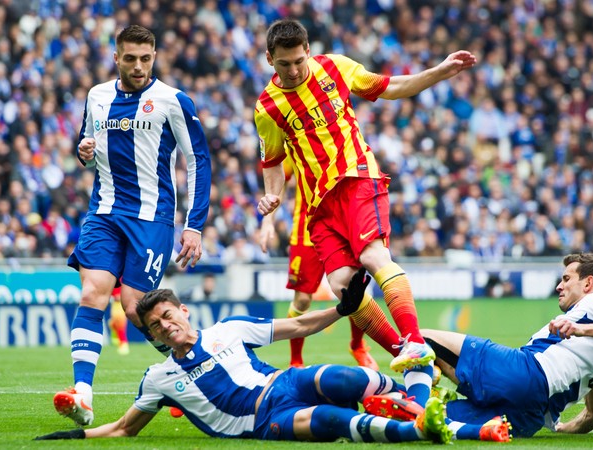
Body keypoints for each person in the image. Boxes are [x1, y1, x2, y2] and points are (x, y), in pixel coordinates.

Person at [255, 19, 477, 374]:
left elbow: (392, 87)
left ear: (308, 51)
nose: (295, 70)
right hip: (318, 208)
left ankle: (415, 341)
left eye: (299, 60)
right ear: (270, 59)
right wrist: (272, 197)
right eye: (285, 64)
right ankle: (412, 360)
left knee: (374, 255)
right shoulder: (267, 107)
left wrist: (439, 71)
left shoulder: (335, 68)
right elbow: (272, 162)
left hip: (358, 179)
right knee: (344, 287)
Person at [34, 272, 459, 444]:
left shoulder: (228, 329)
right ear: (151, 335)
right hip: (259, 420)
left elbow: (295, 327)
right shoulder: (159, 378)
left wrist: (342, 310)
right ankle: (418, 431)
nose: (166, 326)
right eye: (156, 327)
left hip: (284, 383)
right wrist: (74, 438)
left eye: (168, 316)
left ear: (184, 311)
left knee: (345, 379)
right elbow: (125, 429)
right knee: (327, 421)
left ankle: (419, 401)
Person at [53, 25, 212, 427]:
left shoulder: (173, 101)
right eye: (130, 58)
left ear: (154, 56)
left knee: (137, 309)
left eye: (146, 58)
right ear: (116, 57)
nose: (138, 66)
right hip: (104, 212)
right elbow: (87, 150)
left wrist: (193, 225)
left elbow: (198, 161)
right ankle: (82, 396)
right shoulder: (96, 95)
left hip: (151, 218)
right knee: (92, 293)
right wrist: (83, 152)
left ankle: (198, 374)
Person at [365, 252, 593, 440]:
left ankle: (364, 314)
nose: (559, 286)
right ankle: (416, 395)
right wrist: (562, 427)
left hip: (523, 373)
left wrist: (579, 327)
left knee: (421, 338)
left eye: (566, 279)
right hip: (528, 419)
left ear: (589, 283)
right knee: (425, 422)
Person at [259, 162, 377, 370]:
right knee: (302, 300)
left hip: (341, 226)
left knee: (352, 288)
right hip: (305, 230)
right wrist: (268, 221)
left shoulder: (342, 138)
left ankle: (357, 346)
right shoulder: (293, 142)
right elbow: (278, 183)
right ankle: (296, 361)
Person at [108, 286, 129, 355]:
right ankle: (113, 328)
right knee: (115, 321)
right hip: (115, 303)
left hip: (123, 302)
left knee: (121, 322)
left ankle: (123, 343)